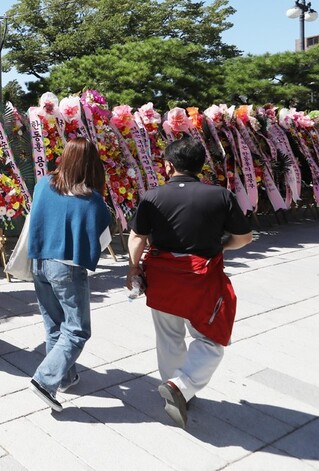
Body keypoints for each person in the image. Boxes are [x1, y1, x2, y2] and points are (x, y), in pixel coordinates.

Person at [127, 136, 253, 429]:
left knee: (168, 335)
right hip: (201, 279)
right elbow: (243, 238)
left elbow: (137, 237)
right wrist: (221, 246)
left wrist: (133, 269)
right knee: (211, 339)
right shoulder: (220, 195)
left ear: (169, 165)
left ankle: (176, 387)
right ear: (199, 166)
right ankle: (181, 386)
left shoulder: (152, 196)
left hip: (161, 278)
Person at [26, 138, 111, 412]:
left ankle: (66, 376)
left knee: (54, 324)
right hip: (65, 266)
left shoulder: (43, 183)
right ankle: (45, 380)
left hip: (39, 261)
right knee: (76, 329)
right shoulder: (91, 199)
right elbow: (103, 240)